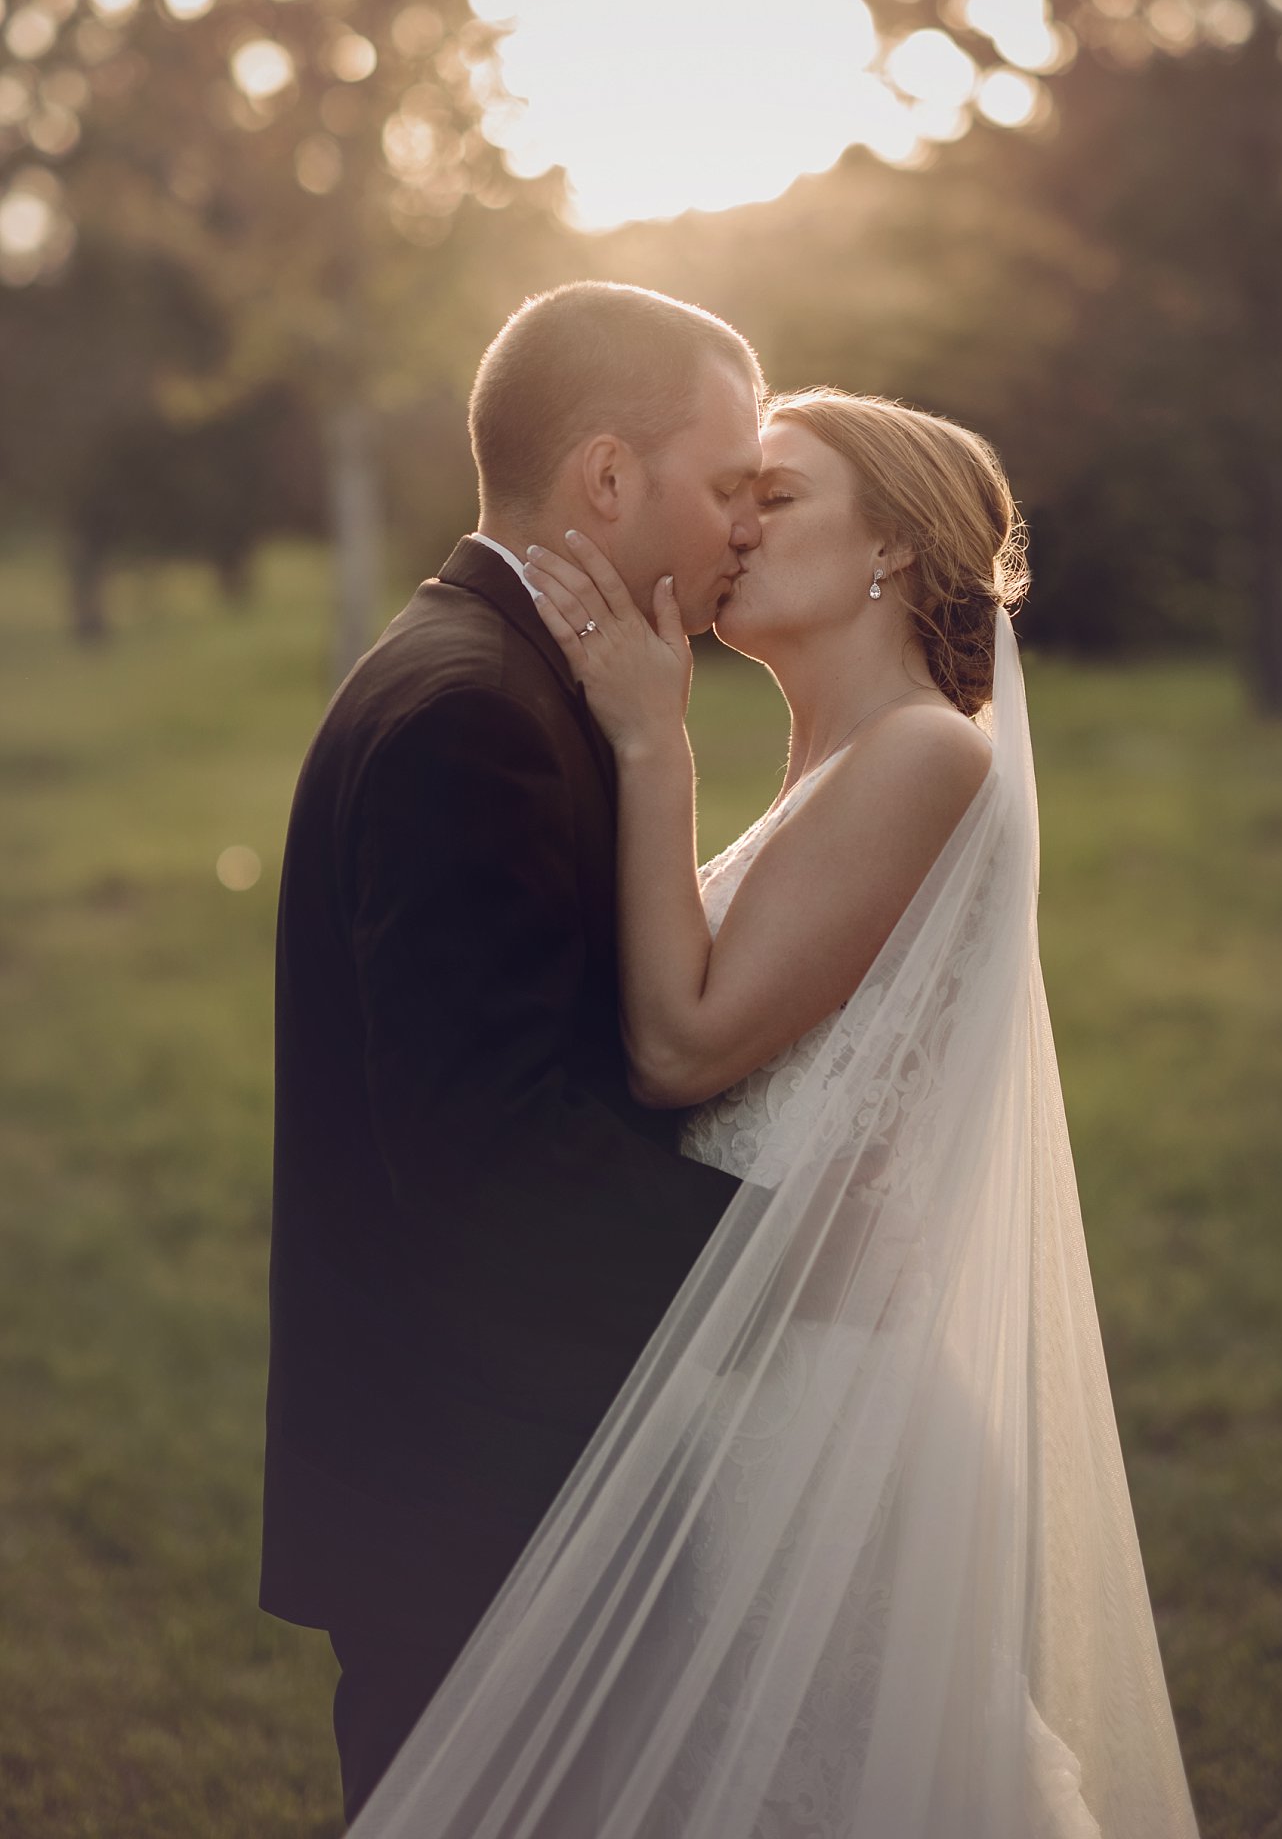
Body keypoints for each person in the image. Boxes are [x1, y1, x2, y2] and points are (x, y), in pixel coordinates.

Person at [346, 390, 1202, 1838]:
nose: (733, 528)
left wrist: (647, 741)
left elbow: (680, 1050)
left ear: (896, 548)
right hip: (742, 1386)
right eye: (733, 493)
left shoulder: (928, 754)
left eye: (776, 497)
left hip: (820, 1421)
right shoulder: (822, 769)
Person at [259, 280, 766, 1825]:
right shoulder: (467, 718)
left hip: (488, 1461)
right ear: (608, 478)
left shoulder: (503, 677)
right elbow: (489, 1169)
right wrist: (787, 1268)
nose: (745, 523)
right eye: (727, 481)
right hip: (468, 1498)